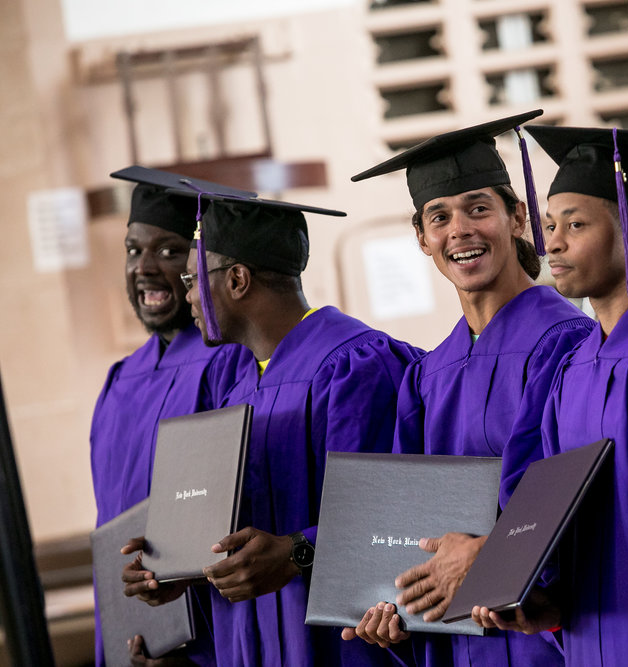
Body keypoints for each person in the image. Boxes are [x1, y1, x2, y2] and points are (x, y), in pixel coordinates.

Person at [122, 191, 421, 666]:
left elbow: (395, 515)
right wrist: (180, 564)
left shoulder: (355, 364)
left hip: (344, 647)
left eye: (193, 278)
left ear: (237, 279)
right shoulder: (239, 382)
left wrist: (297, 553)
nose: (190, 296)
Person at [344, 111, 592, 666]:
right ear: (422, 239)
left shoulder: (569, 343)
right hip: (464, 646)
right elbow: (405, 524)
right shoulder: (428, 374)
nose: (460, 229)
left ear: (517, 218)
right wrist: (393, 605)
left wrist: (493, 559)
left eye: (478, 208)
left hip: (542, 640)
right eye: (439, 217)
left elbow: (578, 499)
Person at [472, 125, 628, 666]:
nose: (552, 243)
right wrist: (537, 598)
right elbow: (542, 506)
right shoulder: (571, 368)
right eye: (549, 225)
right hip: (592, 642)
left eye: (575, 225)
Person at [90, 167, 256, 665]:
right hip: (134, 634)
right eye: (133, 249)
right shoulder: (119, 380)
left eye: (169, 251)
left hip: (206, 637)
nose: (144, 266)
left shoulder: (228, 362)